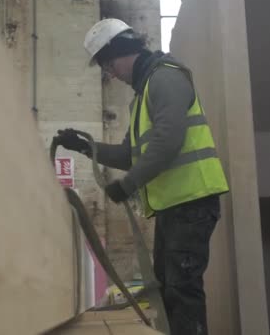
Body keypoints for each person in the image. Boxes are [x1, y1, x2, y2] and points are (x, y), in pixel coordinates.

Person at [55, 18, 229, 335]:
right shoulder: (143, 95)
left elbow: (168, 140)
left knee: (181, 289)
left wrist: (129, 184)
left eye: (108, 64)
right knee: (168, 289)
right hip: (175, 207)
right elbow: (128, 154)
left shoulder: (165, 79)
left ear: (123, 50)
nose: (109, 73)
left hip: (192, 203)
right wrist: (85, 147)